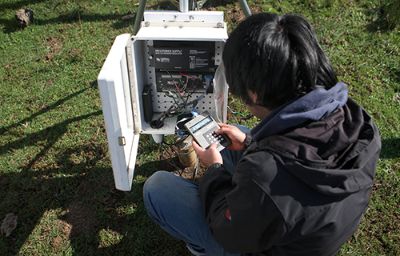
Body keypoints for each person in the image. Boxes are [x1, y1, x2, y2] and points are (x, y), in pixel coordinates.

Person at [143, 13, 381, 256]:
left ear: (253, 94)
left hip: (259, 242)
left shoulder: (264, 174)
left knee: (158, 189)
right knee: (243, 134)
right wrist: (249, 143)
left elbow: (229, 229)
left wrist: (214, 169)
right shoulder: (359, 121)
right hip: (311, 231)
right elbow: (296, 161)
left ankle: (205, 249)